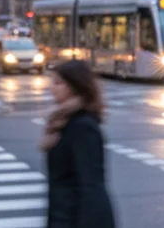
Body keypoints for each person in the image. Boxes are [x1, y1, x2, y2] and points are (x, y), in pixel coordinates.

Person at [42, 60, 115, 228]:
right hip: (64, 216)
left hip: (76, 219)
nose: (51, 88)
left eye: (58, 83)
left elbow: (91, 186)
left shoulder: (82, 126)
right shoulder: (63, 122)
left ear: (74, 86)